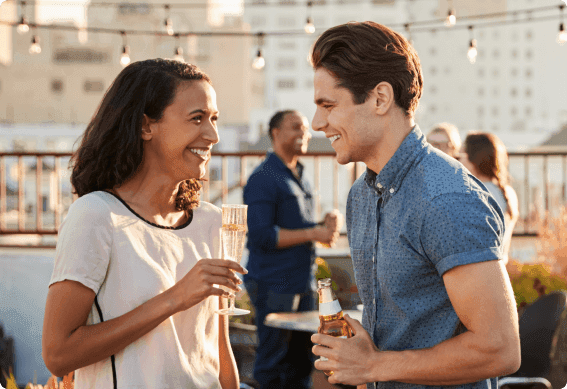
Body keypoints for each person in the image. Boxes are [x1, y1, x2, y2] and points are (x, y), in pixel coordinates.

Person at [308, 22, 521, 389]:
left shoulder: (446, 199)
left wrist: (375, 366)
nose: (316, 123)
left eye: (328, 105)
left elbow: (499, 349)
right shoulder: (361, 195)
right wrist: (361, 357)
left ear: (380, 98)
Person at [42, 59, 246, 389]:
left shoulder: (210, 221)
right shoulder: (95, 216)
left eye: (214, 119)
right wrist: (174, 298)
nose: (213, 135)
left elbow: (219, 350)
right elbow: (58, 353)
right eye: (197, 118)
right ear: (145, 126)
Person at [243, 110, 341, 389]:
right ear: (275, 133)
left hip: (303, 281)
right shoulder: (263, 178)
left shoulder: (300, 174)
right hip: (274, 282)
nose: (304, 134)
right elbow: (263, 235)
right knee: (273, 362)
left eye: (306, 129)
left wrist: (325, 225)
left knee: (301, 361)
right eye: (296, 128)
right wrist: (314, 232)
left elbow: (300, 228)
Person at [460, 132, 520, 265]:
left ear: (473, 158)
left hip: (479, 271)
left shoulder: (479, 193)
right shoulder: (507, 192)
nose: (459, 160)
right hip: (498, 269)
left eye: (462, 154)